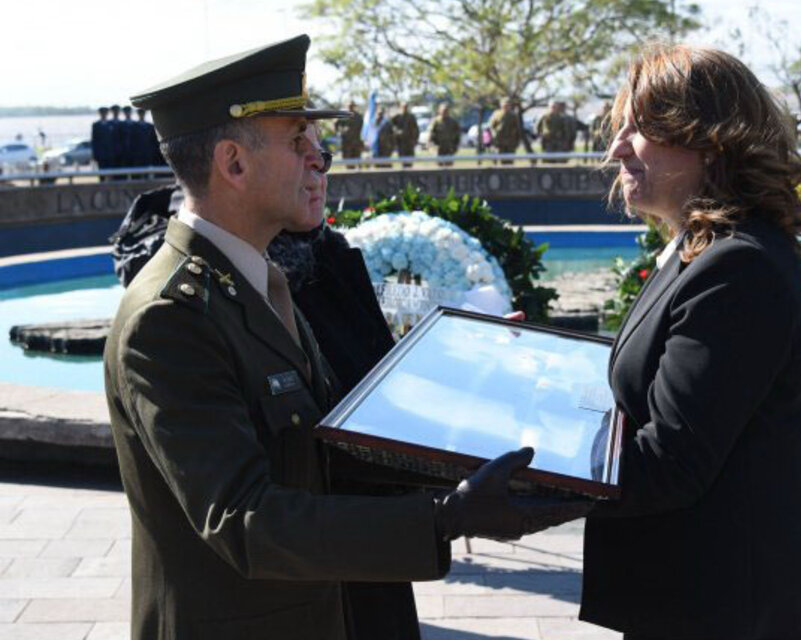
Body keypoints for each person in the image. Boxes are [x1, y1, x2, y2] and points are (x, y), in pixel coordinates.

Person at [106, 34, 589, 640]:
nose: (321, 159)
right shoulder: (171, 316)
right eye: (299, 141)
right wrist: (444, 519)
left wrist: (470, 396)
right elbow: (243, 517)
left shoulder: (259, 282)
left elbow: (326, 452)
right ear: (233, 163)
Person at [581, 43, 801, 640]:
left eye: (638, 130)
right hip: (699, 601)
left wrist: (531, 465)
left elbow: (672, 461)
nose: (617, 149)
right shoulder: (708, 252)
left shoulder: (738, 268)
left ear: (708, 139)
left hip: (724, 611)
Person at [489, 97, 521, 163]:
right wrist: (494, 136)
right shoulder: (496, 114)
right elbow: (492, 127)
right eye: (504, 105)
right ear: (501, 105)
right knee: (499, 160)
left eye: (508, 105)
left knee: (509, 161)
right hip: (499, 142)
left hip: (510, 142)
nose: (506, 107)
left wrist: (517, 141)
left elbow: (517, 129)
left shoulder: (513, 116)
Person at [391, 102, 419, 167]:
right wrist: (397, 132)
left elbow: (416, 129)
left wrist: (415, 139)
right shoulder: (397, 117)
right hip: (401, 143)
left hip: (409, 142)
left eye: (406, 107)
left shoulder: (411, 117)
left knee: (410, 160)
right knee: (402, 160)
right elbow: (390, 126)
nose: (405, 109)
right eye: (403, 107)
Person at [337, 100, 364, 167]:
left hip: (356, 141)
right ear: (347, 106)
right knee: (348, 162)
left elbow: (362, 128)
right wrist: (341, 132)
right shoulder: (343, 115)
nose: (351, 107)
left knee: (357, 161)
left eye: (352, 106)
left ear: (354, 106)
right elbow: (336, 125)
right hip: (346, 142)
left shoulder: (359, 116)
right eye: (349, 106)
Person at [91, 106, 115, 178]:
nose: (104, 114)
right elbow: (94, 141)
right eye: (102, 113)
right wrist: (95, 154)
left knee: (111, 173)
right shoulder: (96, 125)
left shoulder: (111, 124)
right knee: (102, 174)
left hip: (110, 154)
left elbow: (114, 140)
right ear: (100, 114)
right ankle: (102, 188)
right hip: (101, 154)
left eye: (105, 113)